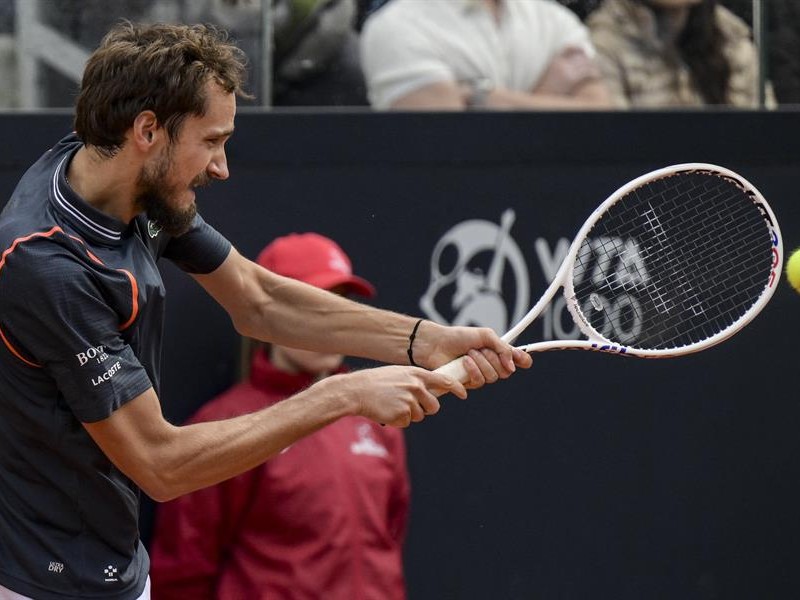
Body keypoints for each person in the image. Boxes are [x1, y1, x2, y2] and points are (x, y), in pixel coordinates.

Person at [0, 22, 532, 600]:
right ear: (147, 129)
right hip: (44, 582)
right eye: (211, 141)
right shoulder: (48, 269)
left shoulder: (118, 175)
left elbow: (259, 298)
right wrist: (341, 395)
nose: (222, 167)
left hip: (114, 563)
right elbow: (161, 464)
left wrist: (424, 339)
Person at [149, 232, 410, 600]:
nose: (331, 323)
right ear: (271, 316)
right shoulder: (224, 423)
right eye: (314, 306)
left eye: (341, 305)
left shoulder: (378, 415)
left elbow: (390, 534)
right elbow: (183, 572)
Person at [358, 0, 613, 110]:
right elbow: (451, 145)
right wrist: (550, 91)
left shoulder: (556, 19)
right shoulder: (396, 26)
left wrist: (484, 99)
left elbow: (599, 116)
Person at [586, 0, 771, 108]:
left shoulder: (730, 34)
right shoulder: (603, 40)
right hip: (645, 171)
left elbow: (765, 135)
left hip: (729, 170)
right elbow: (612, 143)